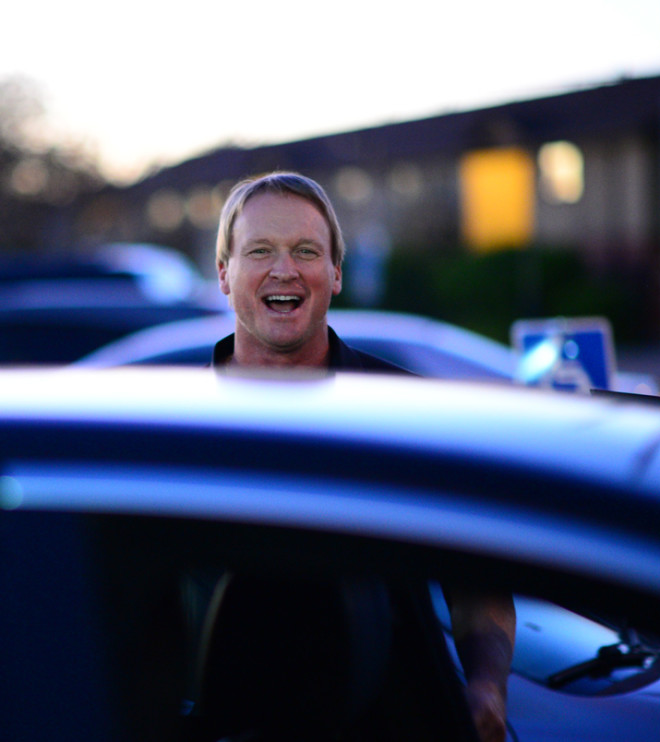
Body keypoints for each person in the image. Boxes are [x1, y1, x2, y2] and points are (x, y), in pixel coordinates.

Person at [211, 171, 516, 742]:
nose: (284, 269)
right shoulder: (175, 421)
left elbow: (479, 582)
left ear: (336, 273)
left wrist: (486, 686)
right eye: (260, 250)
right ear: (224, 274)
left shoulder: (406, 411)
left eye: (306, 251)